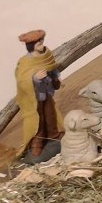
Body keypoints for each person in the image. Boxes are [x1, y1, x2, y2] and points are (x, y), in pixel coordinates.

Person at [14, 30, 64, 164]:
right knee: (37, 119)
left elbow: (52, 67)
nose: (41, 44)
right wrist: (35, 78)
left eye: (41, 41)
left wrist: (56, 77)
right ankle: (37, 143)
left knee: (50, 115)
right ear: (31, 46)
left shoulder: (47, 55)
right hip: (34, 97)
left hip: (47, 93)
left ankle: (54, 135)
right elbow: (21, 79)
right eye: (38, 43)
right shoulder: (25, 62)